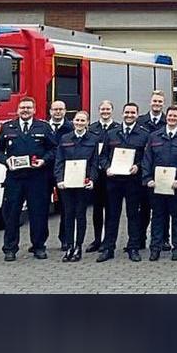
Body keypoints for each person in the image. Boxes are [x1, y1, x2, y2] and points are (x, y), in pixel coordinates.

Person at [0, 97, 58, 261]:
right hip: (15, 178)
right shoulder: (8, 127)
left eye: (29, 108)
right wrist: (6, 161)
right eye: (22, 107)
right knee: (11, 214)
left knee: (39, 213)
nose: (25, 110)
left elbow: (54, 149)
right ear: (18, 110)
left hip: (37, 178)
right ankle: (10, 248)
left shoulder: (43, 127)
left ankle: (38, 246)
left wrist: (44, 160)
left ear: (34, 110)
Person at [141, 105, 177, 261]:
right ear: (166, 118)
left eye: (175, 116)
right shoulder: (155, 136)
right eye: (169, 116)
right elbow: (147, 159)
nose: (171, 118)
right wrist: (148, 178)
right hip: (157, 185)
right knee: (157, 216)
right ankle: (155, 248)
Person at [98, 102, 149, 262]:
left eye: (133, 113)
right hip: (114, 181)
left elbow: (147, 158)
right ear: (122, 114)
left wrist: (138, 166)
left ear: (137, 114)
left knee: (133, 215)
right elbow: (103, 156)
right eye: (127, 112)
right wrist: (106, 167)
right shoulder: (112, 133)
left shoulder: (144, 134)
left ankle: (133, 247)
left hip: (133, 181)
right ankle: (108, 248)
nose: (129, 115)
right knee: (112, 215)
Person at [54, 110, 100, 262]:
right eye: (77, 120)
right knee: (68, 215)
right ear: (73, 122)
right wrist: (59, 179)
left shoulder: (93, 139)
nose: (79, 123)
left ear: (87, 123)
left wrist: (92, 179)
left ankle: (78, 247)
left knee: (80, 215)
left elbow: (95, 163)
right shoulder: (65, 138)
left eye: (83, 121)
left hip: (83, 183)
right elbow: (59, 161)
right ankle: (69, 246)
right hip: (67, 184)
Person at [86, 99, 119, 254]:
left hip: (113, 176)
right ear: (98, 110)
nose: (105, 112)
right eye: (102, 109)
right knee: (97, 209)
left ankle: (108, 240)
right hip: (97, 175)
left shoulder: (118, 129)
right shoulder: (91, 129)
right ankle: (97, 239)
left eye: (108, 109)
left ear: (112, 111)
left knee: (112, 210)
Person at [136, 90, 167, 248]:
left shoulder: (167, 121)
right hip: (145, 171)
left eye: (160, 102)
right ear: (150, 102)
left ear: (163, 103)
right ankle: (140, 239)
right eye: (155, 101)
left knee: (163, 208)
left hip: (164, 173)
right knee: (144, 208)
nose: (157, 104)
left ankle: (164, 239)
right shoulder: (141, 121)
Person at [47, 100, 73, 252]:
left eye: (61, 109)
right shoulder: (43, 127)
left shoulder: (70, 128)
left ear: (65, 111)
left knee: (66, 208)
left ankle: (65, 239)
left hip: (65, 172)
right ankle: (39, 241)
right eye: (55, 109)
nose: (58, 112)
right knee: (42, 207)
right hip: (44, 172)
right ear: (50, 111)